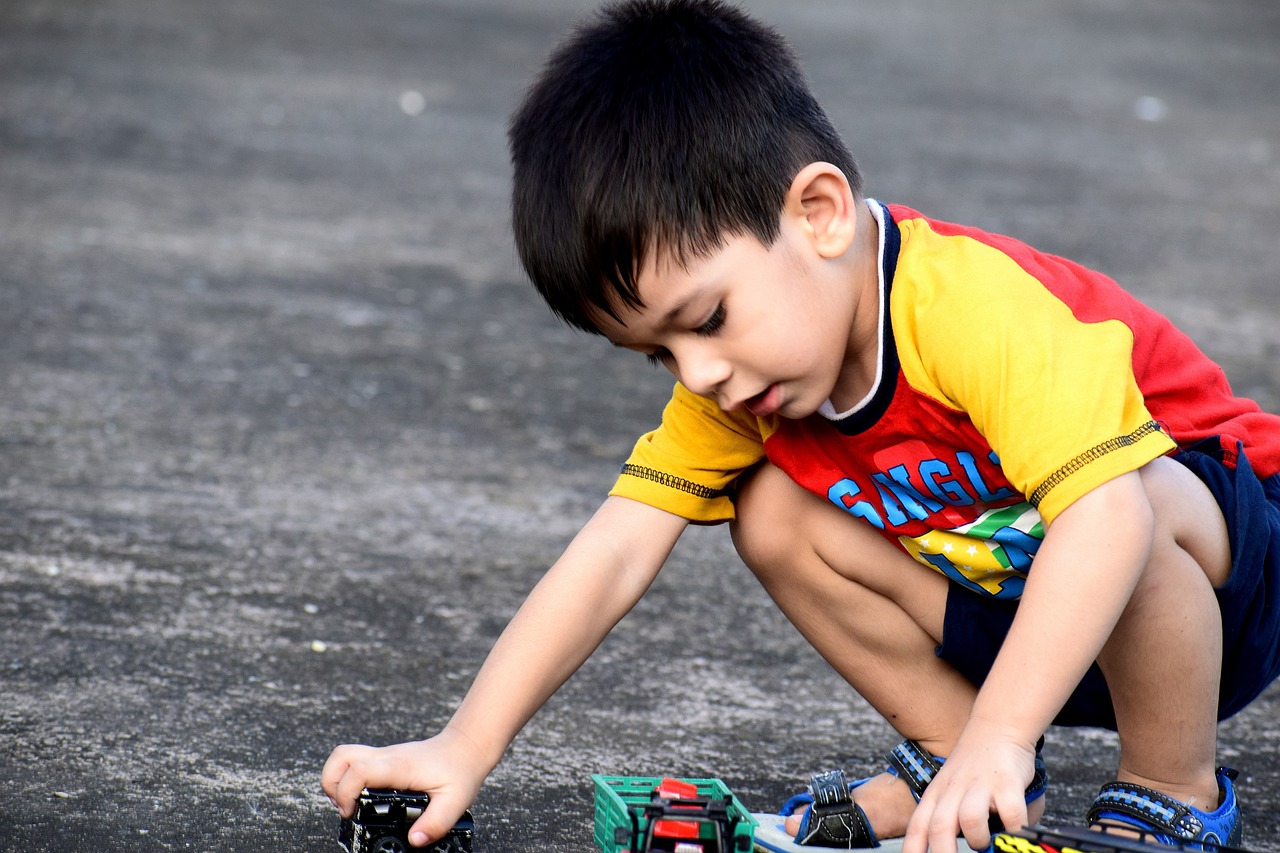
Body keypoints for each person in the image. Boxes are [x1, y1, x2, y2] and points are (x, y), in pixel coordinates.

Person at [322, 1, 1280, 849]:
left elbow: (1106, 523)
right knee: (771, 507)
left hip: (1219, 585)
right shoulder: (744, 380)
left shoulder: (972, 311)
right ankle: (958, 755)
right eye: (658, 353)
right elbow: (614, 551)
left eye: (705, 320)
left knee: (1132, 497)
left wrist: (1007, 727)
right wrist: (464, 744)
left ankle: (1170, 790)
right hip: (1025, 610)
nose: (699, 374)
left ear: (818, 212)